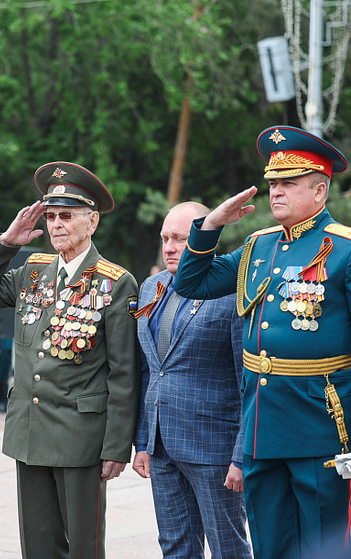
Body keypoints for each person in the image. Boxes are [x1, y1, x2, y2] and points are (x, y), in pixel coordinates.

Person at [174, 125, 351, 559]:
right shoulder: (258, 246)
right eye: (272, 183)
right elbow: (191, 282)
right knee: (271, 545)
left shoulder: (344, 249)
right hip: (262, 426)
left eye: (288, 183)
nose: (276, 192)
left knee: (325, 545)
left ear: (320, 190)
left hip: (321, 424)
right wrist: (212, 223)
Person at [0, 161, 140, 559]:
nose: (57, 224)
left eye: (67, 216)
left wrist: (116, 447)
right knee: (37, 546)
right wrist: (7, 242)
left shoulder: (115, 282)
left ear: (91, 222)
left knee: (83, 549)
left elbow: (124, 373)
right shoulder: (33, 272)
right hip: (31, 432)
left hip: (81, 438)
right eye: (52, 215)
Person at [132, 202, 251, 559]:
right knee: (174, 546)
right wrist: (142, 440)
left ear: (204, 240)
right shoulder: (151, 286)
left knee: (228, 546)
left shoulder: (231, 292)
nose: (169, 247)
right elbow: (149, 369)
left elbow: (247, 380)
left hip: (214, 448)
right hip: (162, 443)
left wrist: (241, 456)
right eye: (165, 238)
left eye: (181, 239)